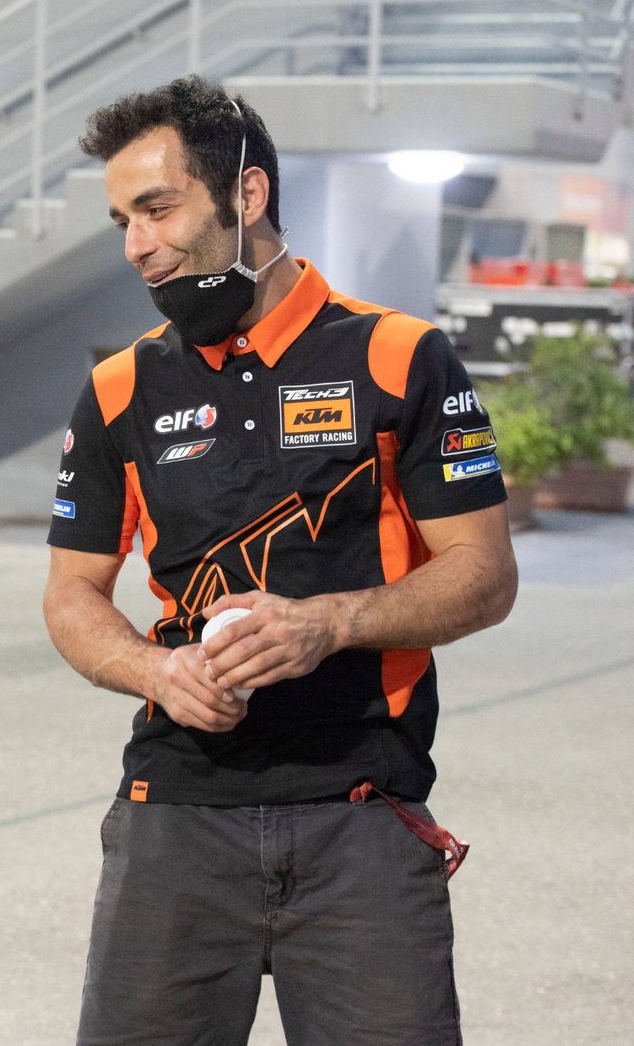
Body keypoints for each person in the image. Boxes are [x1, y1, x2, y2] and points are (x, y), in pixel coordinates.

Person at [43, 75, 517, 1045]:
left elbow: (483, 573)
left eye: (158, 208)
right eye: (121, 219)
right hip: (172, 815)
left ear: (245, 196)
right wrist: (153, 669)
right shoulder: (118, 388)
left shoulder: (399, 358)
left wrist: (330, 623)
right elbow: (71, 593)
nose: (136, 244)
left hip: (361, 814)